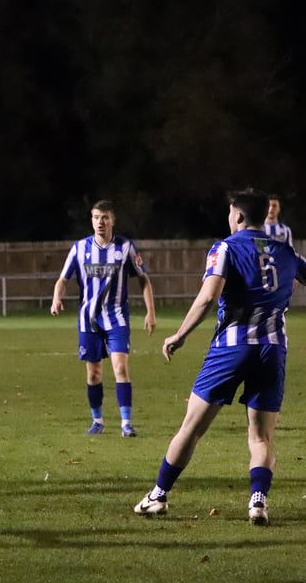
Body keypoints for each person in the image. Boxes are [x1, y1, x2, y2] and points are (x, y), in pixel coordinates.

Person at [134, 188, 306, 525]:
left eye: (231, 213)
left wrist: (179, 335)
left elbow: (207, 297)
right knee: (260, 436)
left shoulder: (226, 247)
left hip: (231, 347)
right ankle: (258, 501)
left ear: (238, 215)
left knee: (191, 428)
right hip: (273, 349)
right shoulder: (286, 251)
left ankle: (158, 495)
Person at [50, 200, 156, 437]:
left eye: (105, 217)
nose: (101, 222)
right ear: (92, 220)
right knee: (94, 373)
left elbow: (143, 279)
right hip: (89, 320)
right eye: (97, 217)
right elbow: (62, 279)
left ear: (113, 220)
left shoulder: (126, 247)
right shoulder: (79, 248)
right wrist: (57, 298)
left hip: (117, 318)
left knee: (121, 367)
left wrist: (151, 312)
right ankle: (97, 420)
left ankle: (126, 423)